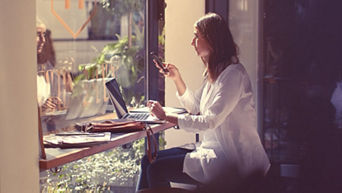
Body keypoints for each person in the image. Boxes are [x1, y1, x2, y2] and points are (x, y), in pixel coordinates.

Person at [137, 13, 270, 192]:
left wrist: (166, 116)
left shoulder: (233, 76)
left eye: (196, 36)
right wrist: (177, 79)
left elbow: (209, 121)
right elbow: (196, 108)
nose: (192, 42)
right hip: (210, 149)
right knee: (148, 160)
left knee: (156, 169)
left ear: (212, 39)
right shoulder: (215, 74)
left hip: (231, 159)